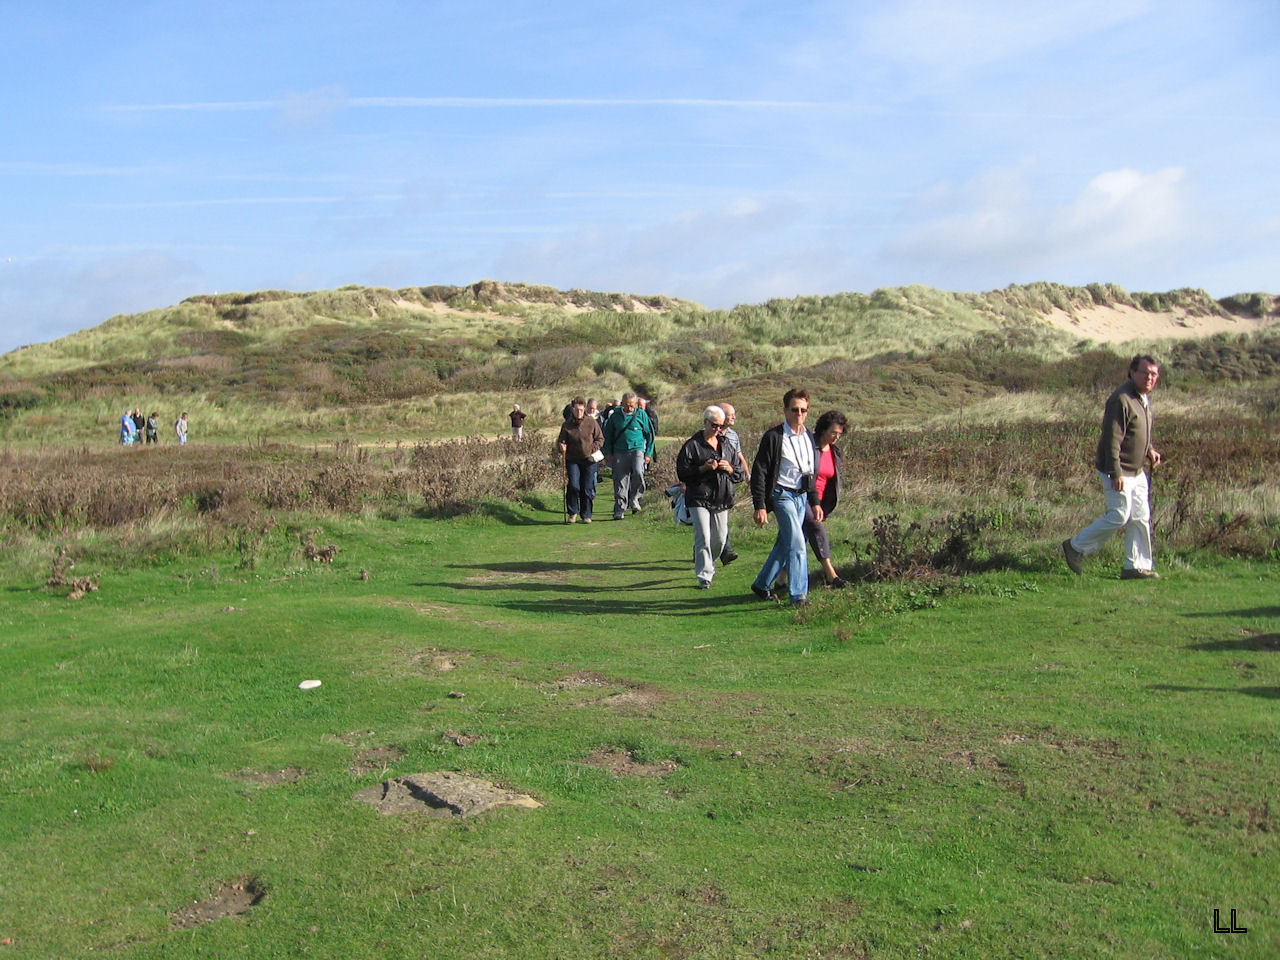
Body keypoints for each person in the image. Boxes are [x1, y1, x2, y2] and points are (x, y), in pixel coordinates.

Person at [1063, 355, 1163, 579]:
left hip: (1137, 471)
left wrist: (1149, 450)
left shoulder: (1142, 398)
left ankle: (1135, 566)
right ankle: (1075, 547)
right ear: (1132, 372)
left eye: (1154, 374)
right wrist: (1115, 472)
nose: (1149, 378)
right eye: (1145, 373)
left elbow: (1136, 430)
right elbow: (1112, 439)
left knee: (1140, 517)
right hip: (1119, 469)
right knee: (1119, 515)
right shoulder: (1121, 399)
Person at [749, 388, 820, 607]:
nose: (799, 414)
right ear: (785, 410)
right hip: (781, 495)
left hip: (801, 497)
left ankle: (761, 584)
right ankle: (798, 595)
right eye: (794, 409)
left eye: (803, 410)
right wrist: (760, 505)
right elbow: (759, 471)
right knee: (797, 543)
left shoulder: (808, 437)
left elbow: (810, 471)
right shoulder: (774, 437)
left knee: (784, 543)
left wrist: (815, 501)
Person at [676, 405, 744, 588]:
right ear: (705, 422)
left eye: (720, 426)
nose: (717, 429)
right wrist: (703, 468)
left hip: (722, 497)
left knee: (720, 539)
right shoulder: (692, 445)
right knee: (703, 537)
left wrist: (730, 469)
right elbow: (682, 472)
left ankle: (708, 562)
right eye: (714, 425)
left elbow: (739, 473)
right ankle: (704, 576)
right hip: (698, 497)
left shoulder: (726, 445)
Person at [805, 410, 849, 588]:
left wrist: (825, 505)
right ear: (823, 429)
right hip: (804, 497)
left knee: (794, 538)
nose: (837, 437)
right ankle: (832, 575)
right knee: (817, 530)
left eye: (839, 433)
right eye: (833, 432)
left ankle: (777, 579)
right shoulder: (809, 446)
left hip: (820, 501)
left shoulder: (834, 451)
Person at [602, 392, 655, 519]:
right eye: (627, 405)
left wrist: (648, 454)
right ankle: (620, 508)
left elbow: (650, 435)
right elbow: (607, 435)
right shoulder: (615, 416)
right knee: (620, 480)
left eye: (632, 405)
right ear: (622, 404)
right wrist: (607, 452)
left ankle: (635, 499)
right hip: (619, 451)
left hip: (637, 450)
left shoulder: (641, 415)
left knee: (638, 472)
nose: (629, 408)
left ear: (636, 404)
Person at [557, 396, 605, 523]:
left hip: (589, 460)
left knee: (587, 487)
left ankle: (586, 514)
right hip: (572, 459)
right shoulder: (566, 425)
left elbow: (600, 439)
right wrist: (561, 446)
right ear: (573, 409)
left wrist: (591, 449)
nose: (579, 412)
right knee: (574, 485)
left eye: (581, 410)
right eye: (577, 410)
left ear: (584, 410)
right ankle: (573, 512)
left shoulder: (591, 422)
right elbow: (561, 441)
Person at [717, 401, 750, 565]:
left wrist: (747, 474)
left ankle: (724, 550)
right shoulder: (708, 433)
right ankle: (721, 550)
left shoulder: (733, 436)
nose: (734, 417)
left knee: (722, 516)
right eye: (731, 415)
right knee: (712, 519)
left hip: (727, 483)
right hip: (710, 484)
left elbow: (739, 456)